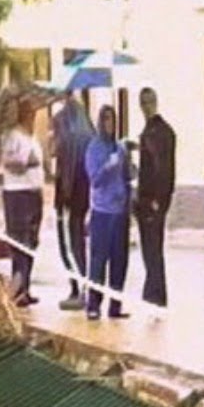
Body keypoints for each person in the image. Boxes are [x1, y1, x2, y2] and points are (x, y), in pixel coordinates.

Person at [84, 105, 133, 321]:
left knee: (119, 260)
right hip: (102, 212)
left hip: (120, 211)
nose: (109, 124)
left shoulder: (119, 148)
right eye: (105, 120)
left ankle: (115, 304)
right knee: (98, 260)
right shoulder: (94, 148)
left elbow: (126, 176)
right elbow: (94, 179)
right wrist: (108, 166)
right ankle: (93, 304)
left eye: (112, 120)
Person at [50, 93, 95, 311]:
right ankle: (82, 287)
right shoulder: (85, 122)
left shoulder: (64, 122)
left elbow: (61, 154)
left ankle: (79, 288)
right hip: (83, 189)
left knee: (71, 241)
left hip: (70, 191)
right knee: (77, 241)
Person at [0, 101, 46, 307]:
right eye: (30, 114)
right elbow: (8, 162)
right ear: (23, 115)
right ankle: (18, 290)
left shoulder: (32, 137)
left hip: (34, 192)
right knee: (20, 242)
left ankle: (25, 288)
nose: (33, 118)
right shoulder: (12, 137)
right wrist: (27, 163)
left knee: (32, 242)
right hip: (18, 195)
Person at [135, 88, 176, 307]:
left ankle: (155, 293)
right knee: (152, 247)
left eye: (149, 102)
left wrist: (156, 199)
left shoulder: (156, 133)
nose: (146, 106)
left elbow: (161, 168)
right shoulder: (157, 131)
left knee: (152, 247)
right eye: (144, 102)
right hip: (153, 199)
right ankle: (154, 290)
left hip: (152, 199)